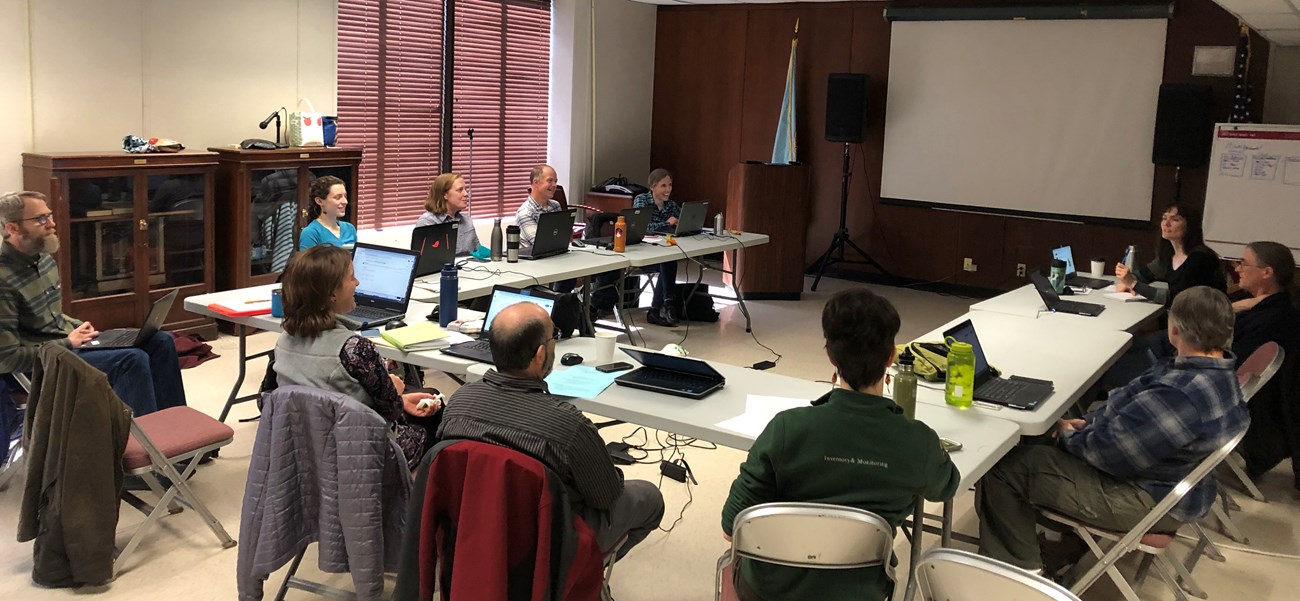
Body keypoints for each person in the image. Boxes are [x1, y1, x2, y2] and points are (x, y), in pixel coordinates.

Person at [975, 286, 1248, 575]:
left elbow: (1111, 454)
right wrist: (1090, 425)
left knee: (1004, 468)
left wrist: (1069, 436)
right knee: (1043, 438)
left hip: (1148, 498)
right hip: (1176, 486)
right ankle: (1066, 545)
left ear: (1175, 329)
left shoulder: (1178, 393)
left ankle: (1020, 573)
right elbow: (1131, 418)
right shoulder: (1219, 372)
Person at [721, 288, 960, 601]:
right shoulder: (919, 442)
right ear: (891, 357)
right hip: (860, 592)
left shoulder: (786, 428)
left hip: (770, 589)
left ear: (830, 356)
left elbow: (731, 527)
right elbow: (947, 487)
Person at [438, 302, 664, 559]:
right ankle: (579, 575)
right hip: (545, 541)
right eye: (553, 337)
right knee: (649, 497)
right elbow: (606, 497)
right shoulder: (569, 426)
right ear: (540, 355)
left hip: (473, 523)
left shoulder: (458, 403)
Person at [0, 191, 187, 416]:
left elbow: (50, 315)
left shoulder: (43, 260)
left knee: (161, 341)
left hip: (67, 345)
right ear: (12, 228)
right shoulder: (3, 280)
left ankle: (175, 425)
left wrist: (76, 325)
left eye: (49, 215)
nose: (51, 223)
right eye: (41, 219)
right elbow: (7, 359)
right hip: (42, 364)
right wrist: (68, 343)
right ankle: (141, 438)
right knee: (132, 361)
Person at [272, 245, 442, 470]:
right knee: (436, 416)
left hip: (306, 446)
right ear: (332, 294)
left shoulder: (283, 341)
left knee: (422, 396)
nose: (358, 283)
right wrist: (396, 390)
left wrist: (400, 399)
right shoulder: (355, 349)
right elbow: (391, 411)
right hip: (358, 452)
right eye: (352, 277)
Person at [1114, 203, 1227, 307]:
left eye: (1175, 219)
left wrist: (1133, 284)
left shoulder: (1200, 258)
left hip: (1202, 318)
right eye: (1164, 218)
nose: (1166, 224)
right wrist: (1127, 280)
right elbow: (1143, 275)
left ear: (1190, 226)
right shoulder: (1169, 255)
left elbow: (1177, 298)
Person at [1230, 241, 1300, 363]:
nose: (1237, 269)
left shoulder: (1276, 317)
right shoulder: (1240, 297)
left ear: (1266, 272)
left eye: (1244, 264)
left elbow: (1236, 360)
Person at [514, 164, 575, 293]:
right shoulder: (525, 212)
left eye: (556, 181)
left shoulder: (555, 205)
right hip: (533, 266)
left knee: (576, 273)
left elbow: (560, 237)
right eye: (550, 181)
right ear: (536, 183)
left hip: (556, 259)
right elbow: (540, 243)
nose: (554, 185)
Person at [633, 169, 682, 327]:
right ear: (652, 187)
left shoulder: (671, 205)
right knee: (667, 261)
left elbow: (682, 220)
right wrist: (667, 223)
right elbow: (644, 227)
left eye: (670, 185)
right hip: (642, 254)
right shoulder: (641, 201)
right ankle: (664, 306)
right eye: (663, 186)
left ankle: (662, 307)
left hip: (661, 252)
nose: (668, 190)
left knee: (668, 260)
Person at [416, 172, 481, 255]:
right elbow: (425, 258)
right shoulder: (427, 222)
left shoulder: (466, 220)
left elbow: (478, 253)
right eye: (460, 190)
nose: (466, 194)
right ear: (445, 195)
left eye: (465, 189)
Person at [298, 175, 357, 251]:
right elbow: (307, 259)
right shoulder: (311, 233)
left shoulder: (349, 228)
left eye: (345, 196)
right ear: (319, 201)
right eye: (337, 197)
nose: (345, 201)